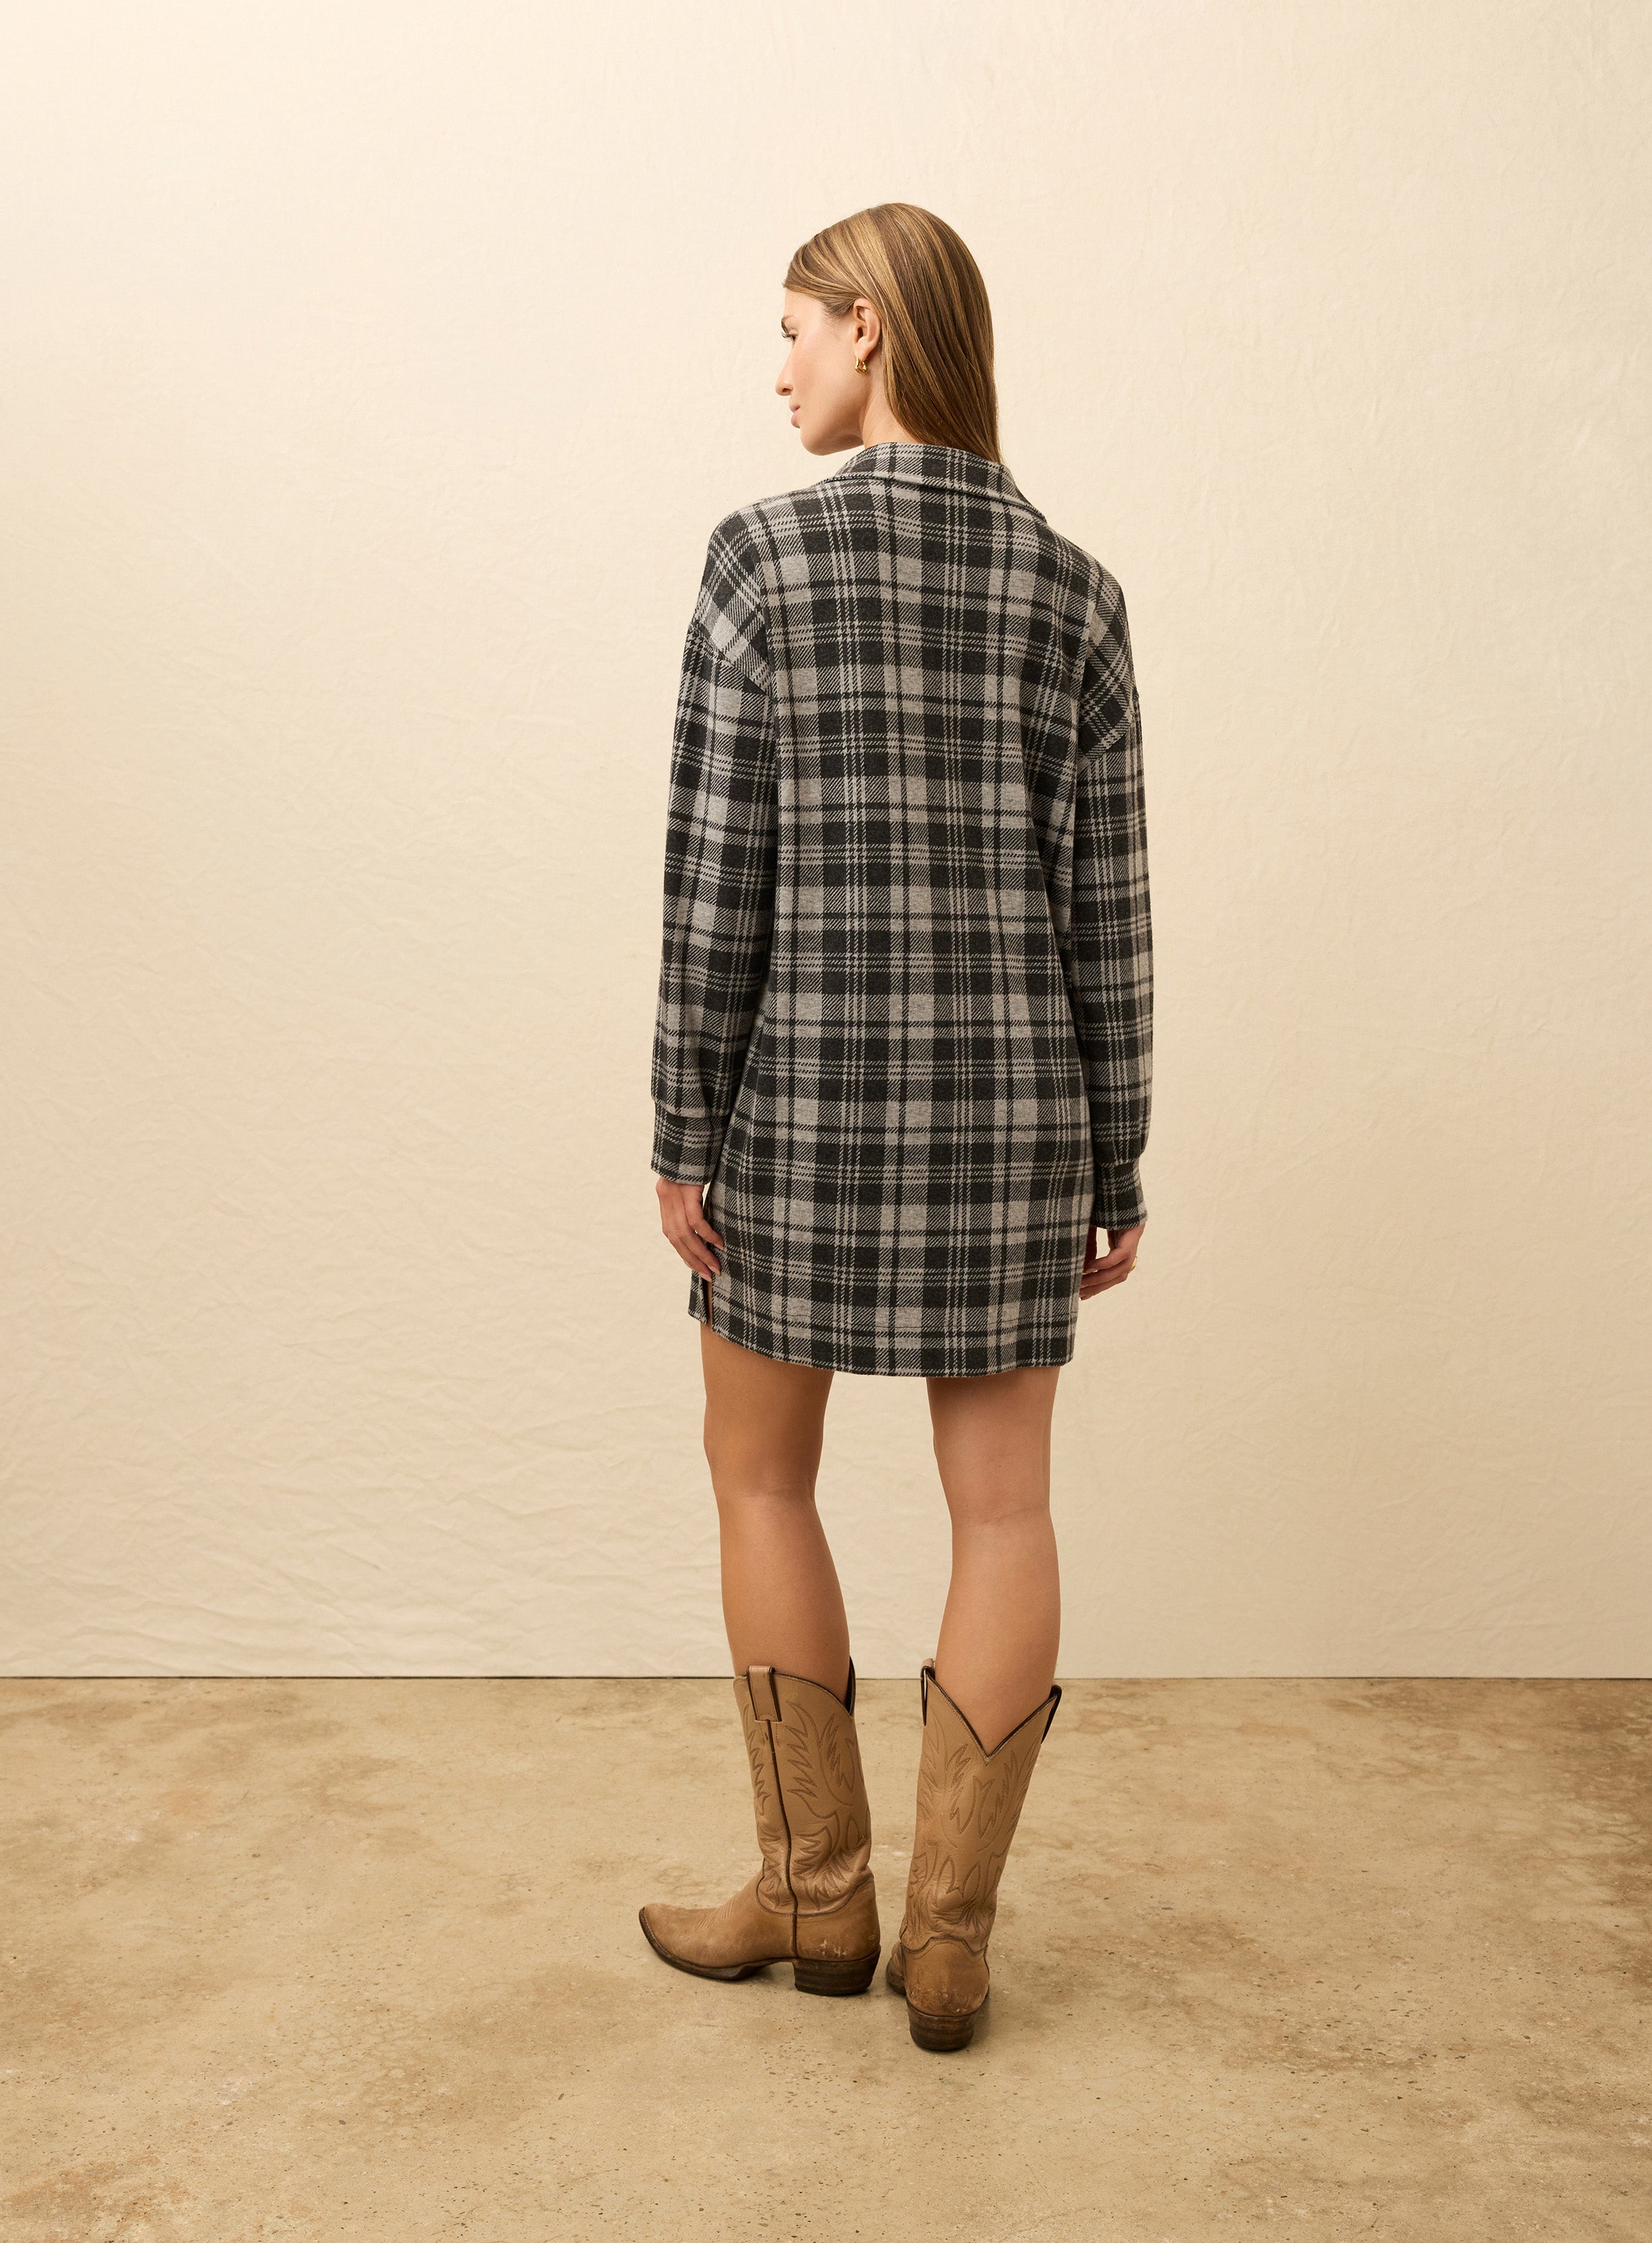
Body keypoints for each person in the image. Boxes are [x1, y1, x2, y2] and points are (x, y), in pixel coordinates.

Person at [638, 203, 1152, 2052]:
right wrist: (1117, 1154)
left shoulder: (759, 562)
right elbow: (1112, 910)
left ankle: (817, 1895)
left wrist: (681, 1119)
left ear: (867, 331)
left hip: (801, 1098)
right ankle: (949, 1939)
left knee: (758, 1474)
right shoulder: (1075, 590)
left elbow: (720, 881)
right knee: (1003, 1506)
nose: (776, 368)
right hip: (1015, 1111)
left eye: (790, 329)